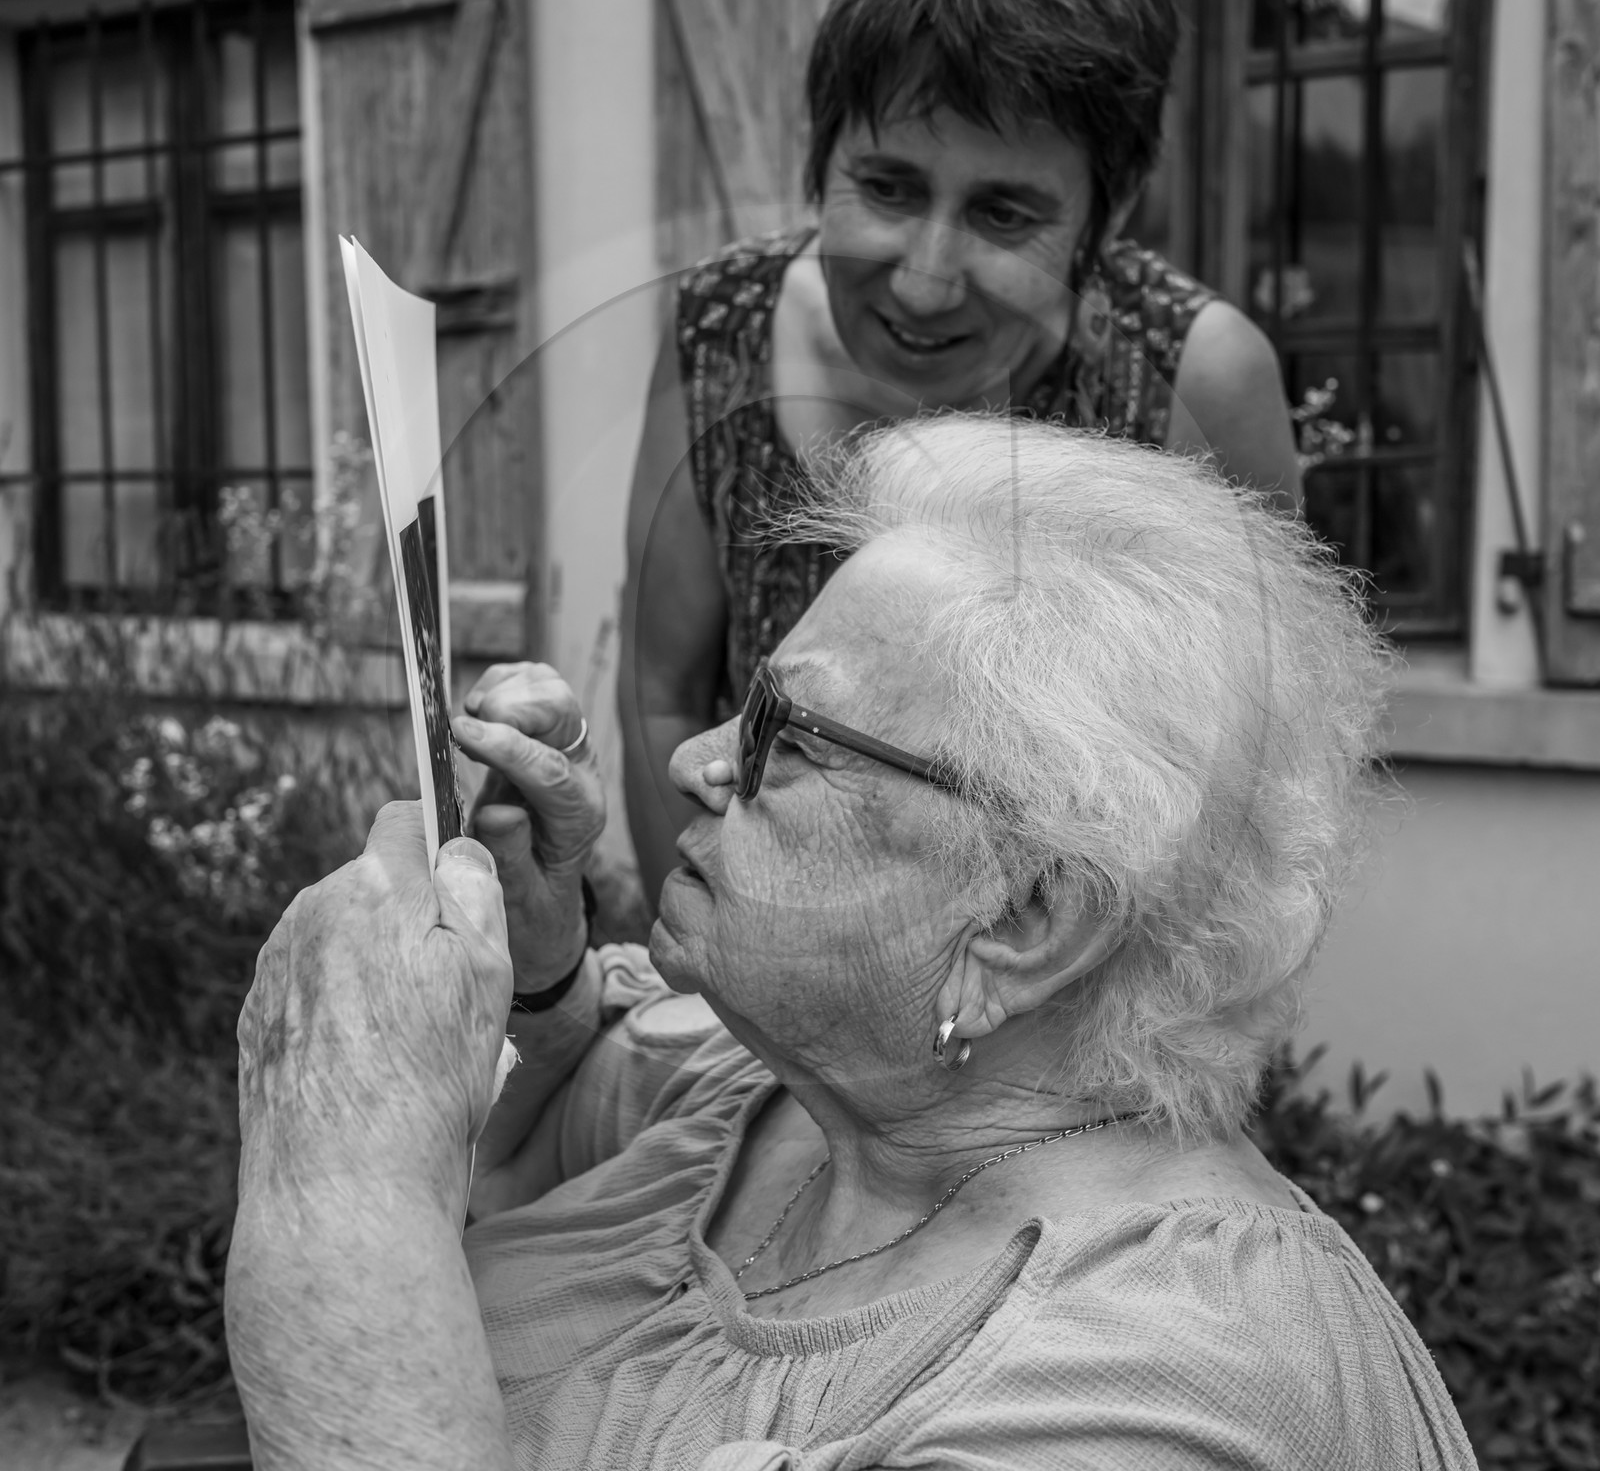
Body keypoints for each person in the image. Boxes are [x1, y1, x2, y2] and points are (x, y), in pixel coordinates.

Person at [227, 417, 1476, 1470]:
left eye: (789, 736)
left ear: (1026, 921)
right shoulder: (795, 1097)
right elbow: (555, 1121)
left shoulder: (1160, 1384)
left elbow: (407, 1206)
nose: (693, 764)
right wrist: (539, 955)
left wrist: (333, 1184)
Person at [622, 0, 1304, 908]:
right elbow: (663, 693)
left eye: (1003, 215)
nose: (925, 280)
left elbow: (1253, 793)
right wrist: (713, 968)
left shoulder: (1192, 382)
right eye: (887, 187)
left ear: (1106, 213)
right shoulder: (717, 333)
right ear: (821, 154)